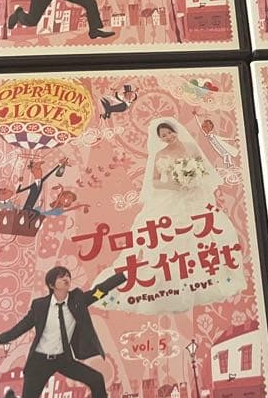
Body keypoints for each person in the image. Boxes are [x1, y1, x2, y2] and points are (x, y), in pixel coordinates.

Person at [99, 119, 243, 314]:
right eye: (163, 136)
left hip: (194, 195)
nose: (168, 137)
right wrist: (174, 184)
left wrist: (194, 178)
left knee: (205, 232)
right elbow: (155, 181)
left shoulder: (191, 146)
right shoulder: (161, 155)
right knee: (167, 238)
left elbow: (202, 168)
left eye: (169, 133)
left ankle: (206, 279)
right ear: (160, 139)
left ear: (175, 130)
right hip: (172, 197)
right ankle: (166, 286)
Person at [0, 266, 127, 398]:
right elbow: (23, 326)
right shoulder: (40, 306)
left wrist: (123, 275)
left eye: (67, 276)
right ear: (51, 285)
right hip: (39, 361)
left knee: (96, 379)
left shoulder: (77, 300)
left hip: (63, 359)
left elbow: (99, 291)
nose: (66, 279)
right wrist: (0, 339)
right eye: (61, 277)